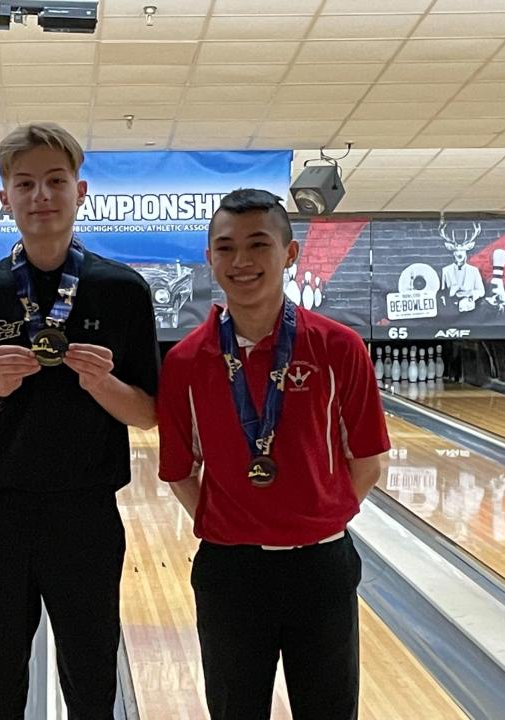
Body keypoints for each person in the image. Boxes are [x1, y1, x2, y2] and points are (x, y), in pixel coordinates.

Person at [0, 122, 159, 719]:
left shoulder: (122, 290)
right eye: (26, 183)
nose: (41, 195)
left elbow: (148, 415)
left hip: (86, 514)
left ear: (80, 191)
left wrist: (103, 385)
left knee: (91, 680)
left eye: (55, 181)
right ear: (5, 197)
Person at [157, 188, 389, 720]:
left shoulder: (338, 347)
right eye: (225, 247)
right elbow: (178, 472)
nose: (241, 261)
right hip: (229, 572)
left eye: (258, 244)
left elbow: (368, 462)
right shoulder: (186, 363)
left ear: (290, 254)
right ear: (210, 257)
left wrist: (314, 519)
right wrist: (232, 525)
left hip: (321, 567)